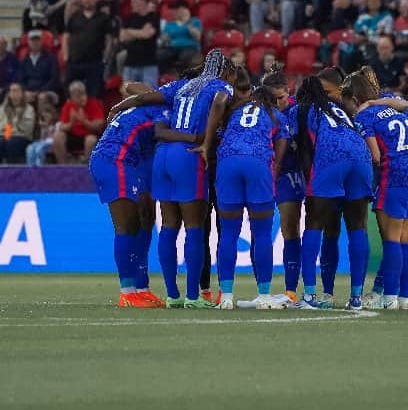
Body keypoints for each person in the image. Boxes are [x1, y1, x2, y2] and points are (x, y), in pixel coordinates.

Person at [110, 49, 236, 308]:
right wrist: (207, 142)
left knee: (168, 226)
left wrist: (119, 105)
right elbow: (221, 103)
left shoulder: (183, 85)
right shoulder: (222, 85)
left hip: (163, 155)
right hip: (188, 155)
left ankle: (172, 295)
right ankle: (192, 297)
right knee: (194, 227)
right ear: (226, 71)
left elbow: (145, 98)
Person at [287, 75, 372, 311]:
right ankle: (356, 297)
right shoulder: (338, 108)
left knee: (314, 224)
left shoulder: (301, 110)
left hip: (332, 157)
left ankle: (311, 295)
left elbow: (301, 148)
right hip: (361, 157)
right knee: (358, 226)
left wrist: (309, 185)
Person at [205, 83, 289, 310]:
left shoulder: (235, 113)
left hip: (228, 164)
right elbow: (281, 146)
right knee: (261, 234)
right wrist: (274, 170)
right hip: (258, 164)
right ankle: (263, 296)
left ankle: (226, 297)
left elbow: (219, 136)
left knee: (228, 234)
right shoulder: (277, 116)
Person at [348, 70, 408, 310]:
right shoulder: (391, 108)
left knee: (392, 240)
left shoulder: (364, 118)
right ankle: (405, 298)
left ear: (354, 98)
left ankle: (389, 298)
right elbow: (404, 104)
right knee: (407, 239)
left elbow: (376, 155)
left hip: (396, 176)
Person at [89, 98, 166, 306]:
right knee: (127, 225)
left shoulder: (149, 108)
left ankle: (142, 288)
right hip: (114, 159)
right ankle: (127, 292)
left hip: (133, 160)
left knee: (144, 220)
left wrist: (116, 106)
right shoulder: (164, 112)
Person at [63, 0, 114, 97]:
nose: (87, 0)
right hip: (75, 62)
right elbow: (66, 36)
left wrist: (105, 58)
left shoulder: (103, 18)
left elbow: (109, 39)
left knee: (94, 95)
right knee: (70, 94)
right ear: (81, 0)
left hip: (94, 63)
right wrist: (66, 55)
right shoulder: (74, 17)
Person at [53, 79, 104, 163]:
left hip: (89, 135)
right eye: (78, 96)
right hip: (73, 135)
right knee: (57, 136)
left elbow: (99, 125)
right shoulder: (68, 105)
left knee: (90, 140)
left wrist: (84, 121)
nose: (83, 98)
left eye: (83, 94)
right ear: (72, 97)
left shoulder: (93, 103)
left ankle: (87, 168)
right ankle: (63, 166)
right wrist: (71, 123)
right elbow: (61, 126)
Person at [119, 0, 160, 86]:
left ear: (143, 2)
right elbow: (122, 37)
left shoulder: (153, 17)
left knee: (149, 97)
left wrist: (129, 32)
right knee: (128, 98)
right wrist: (140, 32)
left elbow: (147, 35)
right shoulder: (129, 18)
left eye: (134, 1)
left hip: (148, 64)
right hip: (130, 63)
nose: (132, 4)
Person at [19, 29, 60, 102]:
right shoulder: (24, 60)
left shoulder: (51, 58)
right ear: (28, 42)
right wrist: (26, 91)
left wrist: (40, 91)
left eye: (37, 40)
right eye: (32, 40)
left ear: (41, 41)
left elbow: (54, 79)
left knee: (42, 97)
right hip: (29, 91)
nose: (35, 43)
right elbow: (21, 80)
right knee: (23, 96)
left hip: (47, 90)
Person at [159, 0, 202, 68]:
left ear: (184, 10)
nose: (173, 12)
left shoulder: (194, 21)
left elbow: (197, 37)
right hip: (172, 48)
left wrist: (187, 22)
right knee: (160, 55)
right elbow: (164, 39)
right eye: (173, 10)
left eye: (176, 10)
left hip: (189, 48)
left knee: (185, 57)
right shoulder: (170, 24)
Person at [0, 82, 35, 163]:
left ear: (22, 94)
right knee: (2, 142)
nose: (14, 93)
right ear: (8, 94)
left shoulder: (28, 109)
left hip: (22, 138)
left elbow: (27, 129)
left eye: (17, 91)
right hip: (5, 137)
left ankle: (12, 170)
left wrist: (9, 130)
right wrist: (8, 131)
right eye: (12, 91)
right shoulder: (2, 109)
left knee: (11, 142)